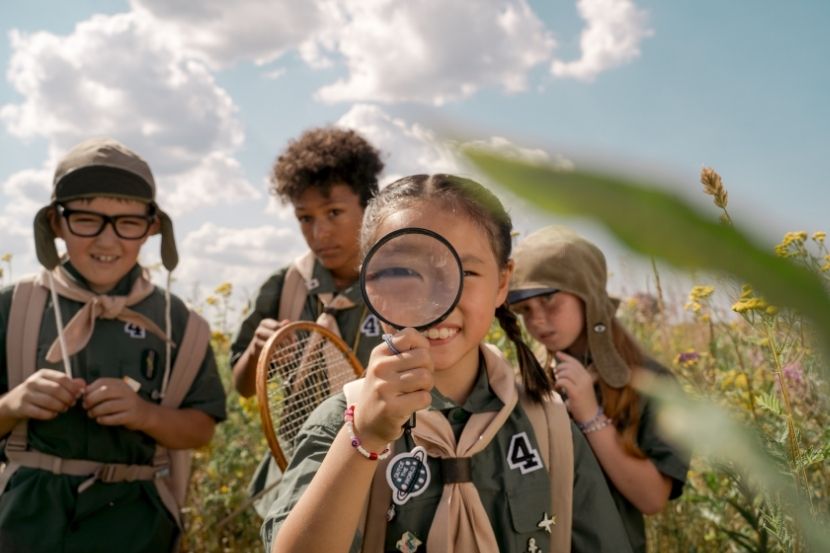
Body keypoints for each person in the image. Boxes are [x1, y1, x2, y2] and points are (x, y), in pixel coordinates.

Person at [264, 174, 632, 553]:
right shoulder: (341, 424)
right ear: (369, 281)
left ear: (502, 283)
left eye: (466, 272)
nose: (436, 298)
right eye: (403, 272)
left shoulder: (549, 425)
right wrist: (365, 438)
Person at [0, 137, 227, 552]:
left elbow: (200, 429)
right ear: (55, 223)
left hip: (137, 528)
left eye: (128, 223)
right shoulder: (13, 309)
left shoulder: (179, 323)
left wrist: (145, 414)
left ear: (153, 227)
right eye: (86, 219)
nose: (107, 241)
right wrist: (12, 405)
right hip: (23, 526)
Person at [230, 126, 385, 514]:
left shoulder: (397, 286)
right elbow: (244, 387)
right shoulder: (285, 287)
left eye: (334, 213)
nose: (319, 233)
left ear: (369, 206)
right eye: (304, 218)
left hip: (378, 480)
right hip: (291, 478)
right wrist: (257, 353)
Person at [507, 225, 690, 553]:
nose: (537, 321)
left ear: (587, 296)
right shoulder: (527, 379)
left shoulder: (652, 382)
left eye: (549, 301)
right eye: (524, 310)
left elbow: (652, 498)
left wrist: (590, 415)